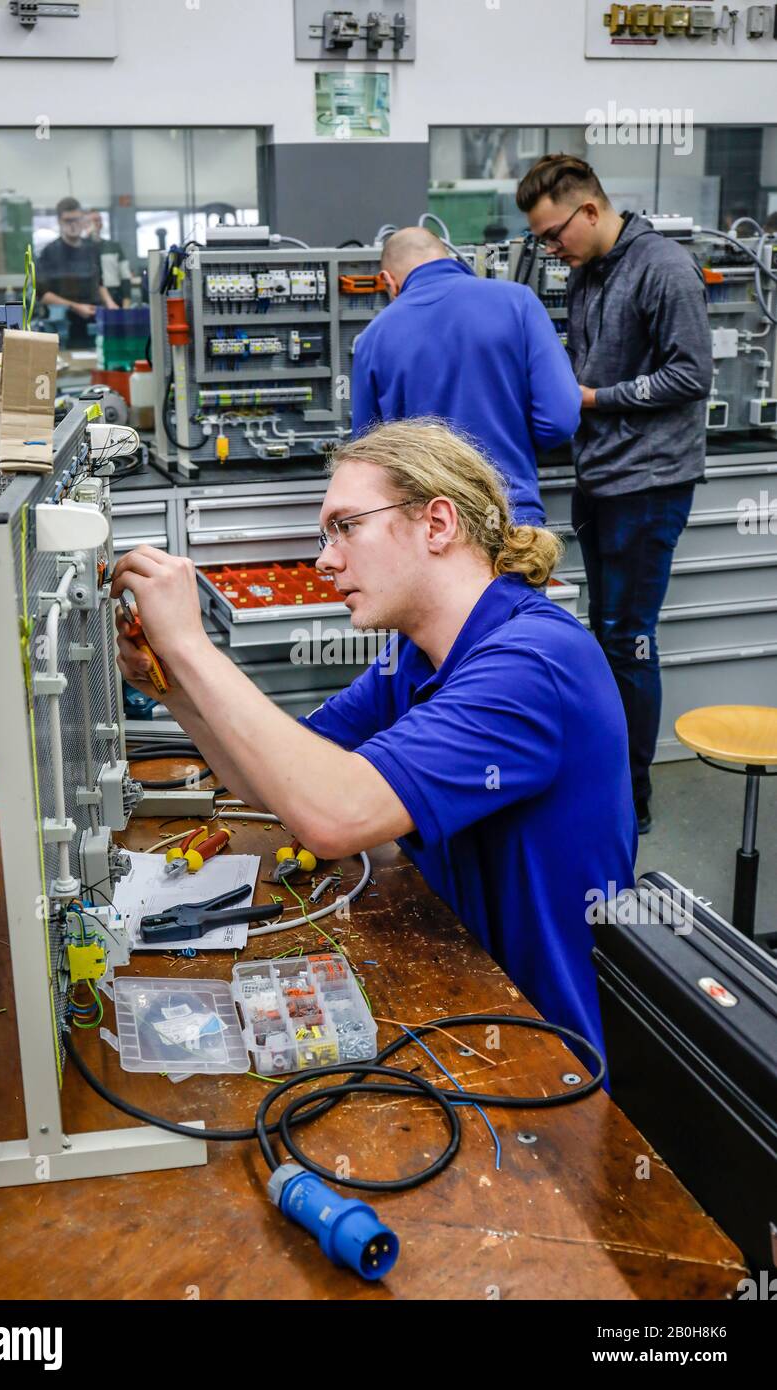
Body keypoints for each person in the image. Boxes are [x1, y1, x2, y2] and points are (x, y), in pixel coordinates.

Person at [112, 420, 636, 1069]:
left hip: (541, 1053)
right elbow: (273, 784)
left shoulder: (532, 666)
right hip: (462, 989)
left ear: (438, 524)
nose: (325, 559)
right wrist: (174, 687)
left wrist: (192, 644)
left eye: (346, 526)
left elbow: (333, 818)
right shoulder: (416, 655)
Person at [516, 155, 713, 834]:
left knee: (628, 639)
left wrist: (594, 398)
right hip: (600, 476)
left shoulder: (663, 267)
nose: (550, 248)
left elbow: (691, 374)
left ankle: (632, 802)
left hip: (649, 481)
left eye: (553, 233)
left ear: (591, 211)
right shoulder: (587, 274)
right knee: (602, 635)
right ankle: (608, 782)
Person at [351, 227, 581, 525]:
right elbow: (560, 419)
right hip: (506, 513)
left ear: (387, 281)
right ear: (448, 256)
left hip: (426, 524)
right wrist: (512, 440)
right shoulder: (517, 303)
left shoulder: (373, 338)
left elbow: (367, 454)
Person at [36, 196, 118, 347]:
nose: (73, 225)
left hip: (94, 321)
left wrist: (110, 303)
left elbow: (99, 283)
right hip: (63, 326)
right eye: (68, 221)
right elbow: (43, 295)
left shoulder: (92, 248)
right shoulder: (49, 252)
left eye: (77, 219)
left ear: (82, 219)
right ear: (60, 221)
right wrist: (75, 306)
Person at [85, 209, 132, 308]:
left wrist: (126, 303)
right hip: (90, 299)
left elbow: (125, 276)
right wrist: (87, 237)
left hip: (114, 296)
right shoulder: (81, 249)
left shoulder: (114, 247)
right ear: (84, 224)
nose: (94, 224)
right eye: (90, 221)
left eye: (97, 220)